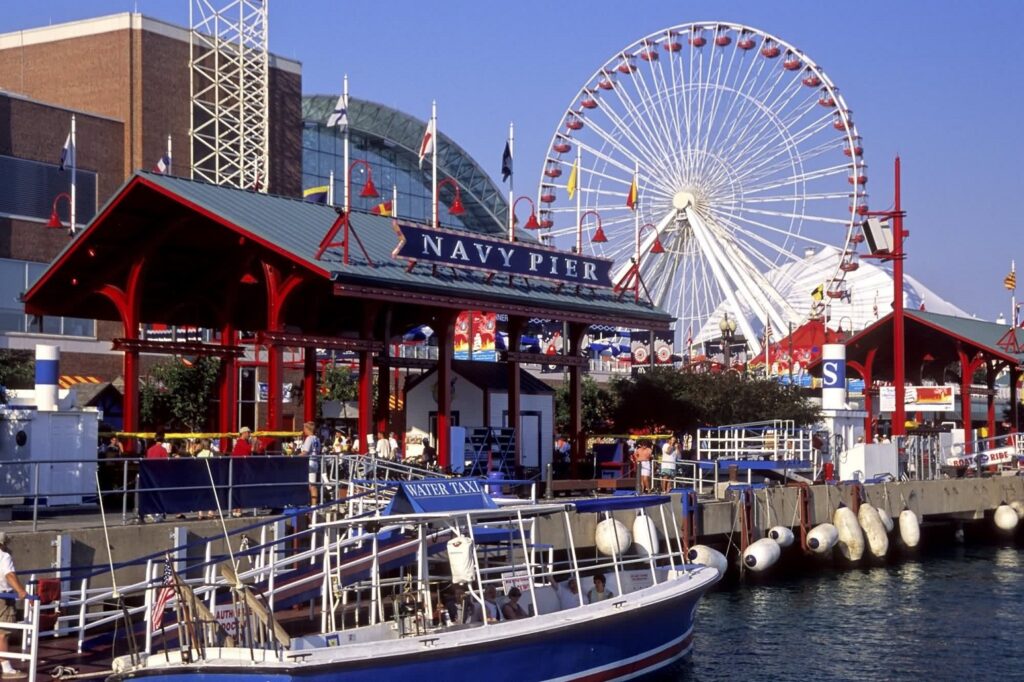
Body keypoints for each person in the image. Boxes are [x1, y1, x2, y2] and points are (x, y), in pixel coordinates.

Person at [0, 532, 28, 678]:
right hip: (3, 598)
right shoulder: (4, 556)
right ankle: (6, 669)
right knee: (2, 633)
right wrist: (21, 591)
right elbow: (9, 575)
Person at [300, 421, 321, 506]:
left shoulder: (309, 438)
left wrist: (295, 457)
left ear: (307, 429)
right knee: (312, 484)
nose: (303, 430)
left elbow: (305, 452)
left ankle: (309, 503)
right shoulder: (317, 439)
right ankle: (313, 504)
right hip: (315, 461)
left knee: (310, 484)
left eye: (304, 428)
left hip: (309, 462)